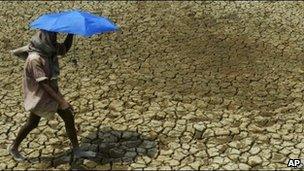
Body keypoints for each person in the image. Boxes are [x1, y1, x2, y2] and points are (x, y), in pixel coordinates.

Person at [9, 30, 95, 161]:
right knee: (32, 123)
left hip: (52, 93)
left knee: (68, 117)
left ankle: (77, 150)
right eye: (53, 36)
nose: (55, 38)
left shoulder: (49, 49)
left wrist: (70, 34)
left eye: (55, 35)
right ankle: (13, 147)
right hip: (40, 97)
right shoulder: (34, 59)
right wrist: (61, 101)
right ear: (45, 37)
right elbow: (43, 84)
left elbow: (64, 48)